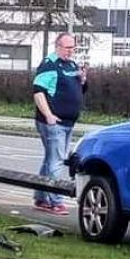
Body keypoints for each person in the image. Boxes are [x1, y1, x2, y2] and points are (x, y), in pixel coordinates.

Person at [32, 32, 87, 215]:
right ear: (58, 46)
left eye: (73, 48)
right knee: (56, 161)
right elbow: (38, 92)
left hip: (68, 121)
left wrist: (83, 81)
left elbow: (77, 89)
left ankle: (41, 197)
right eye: (67, 48)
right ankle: (56, 201)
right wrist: (48, 115)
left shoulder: (71, 65)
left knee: (50, 159)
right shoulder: (50, 65)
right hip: (53, 122)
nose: (71, 51)